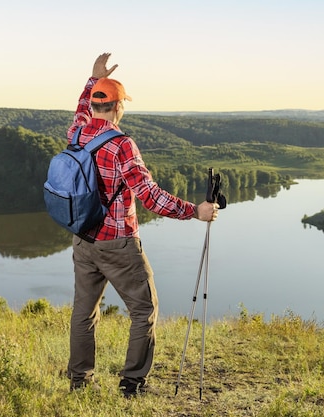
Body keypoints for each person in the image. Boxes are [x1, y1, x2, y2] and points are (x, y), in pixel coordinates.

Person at [66, 53, 219, 397]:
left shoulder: (76, 133)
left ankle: (79, 381)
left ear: (94, 106)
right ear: (118, 107)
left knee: (84, 312)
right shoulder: (121, 145)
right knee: (144, 310)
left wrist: (92, 80)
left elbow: (80, 109)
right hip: (119, 243)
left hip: (82, 238)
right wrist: (195, 211)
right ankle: (131, 383)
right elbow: (150, 197)